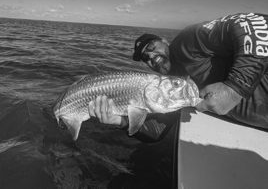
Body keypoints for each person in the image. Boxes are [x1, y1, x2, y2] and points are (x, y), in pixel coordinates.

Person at [88, 12, 268, 142]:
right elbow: (157, 130)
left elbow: (254, 23)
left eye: (151, 47)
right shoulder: (170, 92)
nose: (151, 56)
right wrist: (119, 121)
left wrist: (236, 87)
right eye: (145, 58)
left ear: (165, 41)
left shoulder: (188, 42)